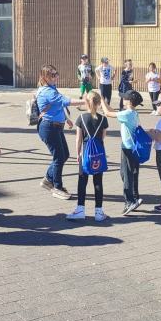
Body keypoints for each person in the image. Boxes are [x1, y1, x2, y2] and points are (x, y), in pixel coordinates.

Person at [36, 64, 81, 201]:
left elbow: (58, 105)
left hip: (56, 127)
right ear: (45, 77)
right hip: (49, 128)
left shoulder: (52, 88)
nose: (56, 77)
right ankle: (57, 187)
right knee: (59, 157)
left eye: (56, 73)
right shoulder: (47, 91)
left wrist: (66, 119)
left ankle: (48, 179)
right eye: (52, 75)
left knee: (64, 155)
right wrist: (86, 101)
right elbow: (65, 101)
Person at [66, 90, 108, 222]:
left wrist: (78, 153)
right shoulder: (103, 119)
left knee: (82, 182)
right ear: (98, 103)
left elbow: (78, 139)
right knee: (98, 182)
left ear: (86, 102)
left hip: (85, 154)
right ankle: (99, 212)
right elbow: (103, 137)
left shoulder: (81, 118)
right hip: (98, 154)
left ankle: (80, 210)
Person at [100, 90, 143, 214]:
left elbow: (108, 113)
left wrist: (102, 100)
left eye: (124, 98)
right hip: (134, 148)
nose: (122, 99)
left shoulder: (127, 114)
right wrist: (104, 100)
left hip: (127, 147)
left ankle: (130, 201)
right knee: (132, 173)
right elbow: (112, 111)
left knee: (126, 174)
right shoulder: (133, 112)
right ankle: (135, 197)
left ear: (129, 102)